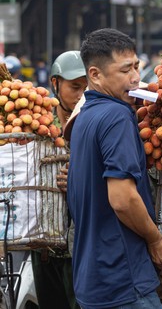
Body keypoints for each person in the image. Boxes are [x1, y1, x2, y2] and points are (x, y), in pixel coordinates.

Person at [67, 28, 162, 308]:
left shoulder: (85, 116)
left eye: (136, 67)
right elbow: (122, 199)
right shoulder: (117, 116)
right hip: (123, 280)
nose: (135, 77)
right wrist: (156, 240)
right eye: (125, 70)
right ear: (95, 75)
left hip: (93, 281)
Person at [29, 51, 87, 309]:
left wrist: (78, 179)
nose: (80, 94)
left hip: (82, 243)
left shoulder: (92, 120)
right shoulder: (38, 122)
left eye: (86, 87)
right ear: (55, 83)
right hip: (44, 243)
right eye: (75, 87)